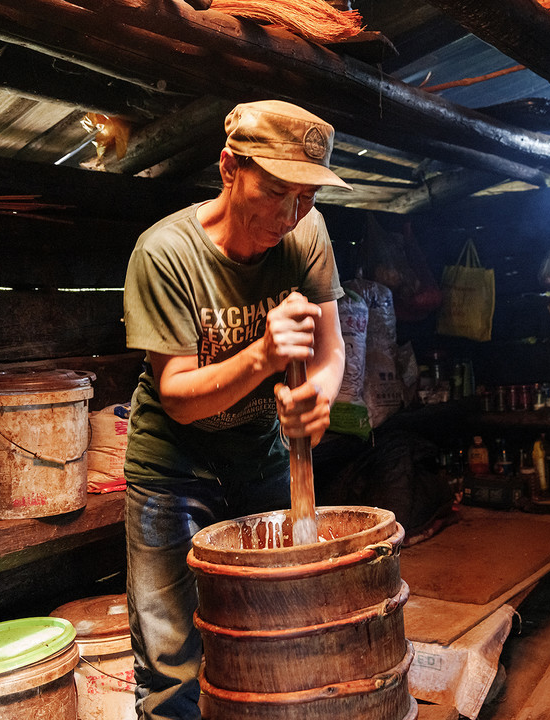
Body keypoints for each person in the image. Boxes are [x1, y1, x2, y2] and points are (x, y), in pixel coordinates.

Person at [121, 99, 349, 720]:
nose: (288, 214)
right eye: (275, 190)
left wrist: (317, 401)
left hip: (259, 459)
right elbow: (178, 397)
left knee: (278, 633)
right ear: (228, 167)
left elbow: (331, 353)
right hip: (172, 471)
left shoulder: (308, 231)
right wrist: (263, 356)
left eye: (305, 196)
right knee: (174, 663)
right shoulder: (165, 254)